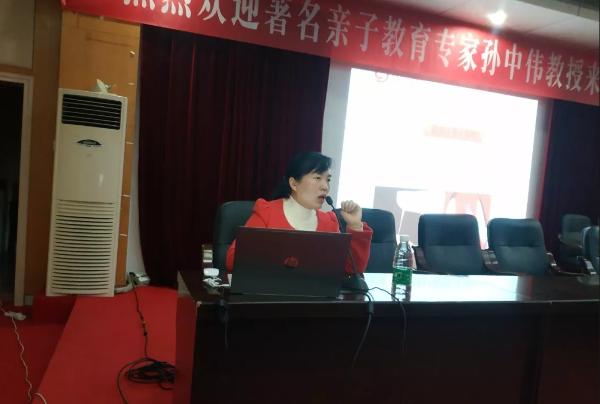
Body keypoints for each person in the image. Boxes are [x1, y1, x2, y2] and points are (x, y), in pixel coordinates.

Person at [226, 151, 372, 274]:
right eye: (317, 178)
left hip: (315, 297)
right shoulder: (267, 213)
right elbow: (233, 261)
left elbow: (351, 270)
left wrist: (355, 226)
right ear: (294, 184)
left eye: (328, 180)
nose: (325, 187)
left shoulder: (329, 222)